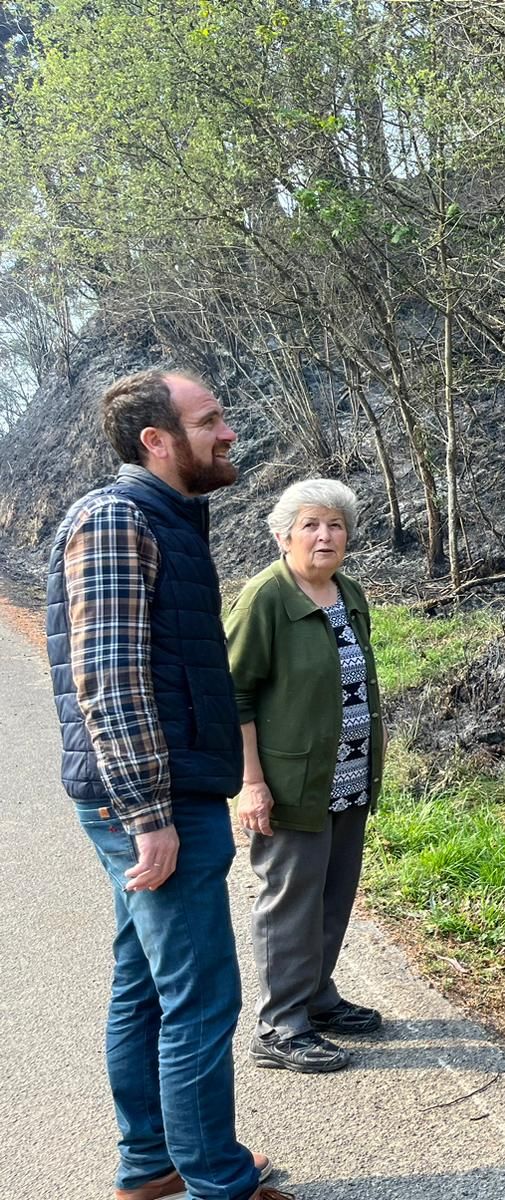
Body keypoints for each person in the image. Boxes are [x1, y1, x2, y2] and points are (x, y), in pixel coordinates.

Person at [46, 369, 291, 1200]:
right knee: (201, 995)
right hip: (150, 798)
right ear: (156, 440)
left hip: (156, 789)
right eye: (209, 419)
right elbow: (108, 681)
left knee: (148, 981)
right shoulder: (117, 519)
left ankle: (150, 1164)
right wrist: (149, 815)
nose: (228, 431)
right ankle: (217, 1181)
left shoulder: (166, 520)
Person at [226, 478, 386, 1075]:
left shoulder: (348, 591)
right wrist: (251, 782)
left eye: (336, 525)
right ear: (283, 536)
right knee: (290, 900)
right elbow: (234, 693)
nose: (325, 536)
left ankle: (316, 998)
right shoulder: (265, 597)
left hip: (345, 775)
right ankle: (280, 1024)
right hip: (288, 782)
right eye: (311, 525)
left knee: (333, 891)